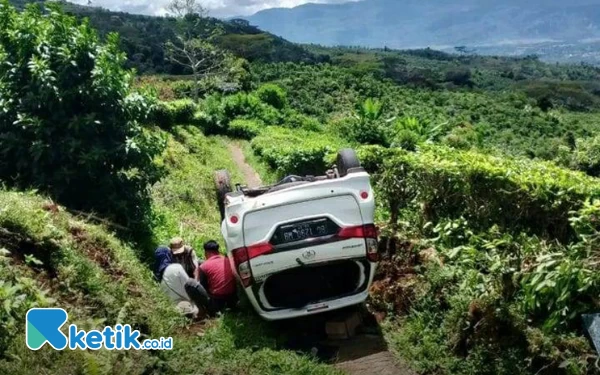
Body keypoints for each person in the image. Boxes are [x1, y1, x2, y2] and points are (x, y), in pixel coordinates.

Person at [154, 247, 207, 318]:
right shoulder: (176, 267)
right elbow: (189, 284)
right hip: (188, 304)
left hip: (172, 308)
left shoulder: (156, 276)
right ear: (168, 255)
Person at [192, 240, 237, 315]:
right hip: (233, 298)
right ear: (217, 251)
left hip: (217, 301)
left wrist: (195, 277)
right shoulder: (228, 260)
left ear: (206, 253)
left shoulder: (204, 266)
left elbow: (203, 288)